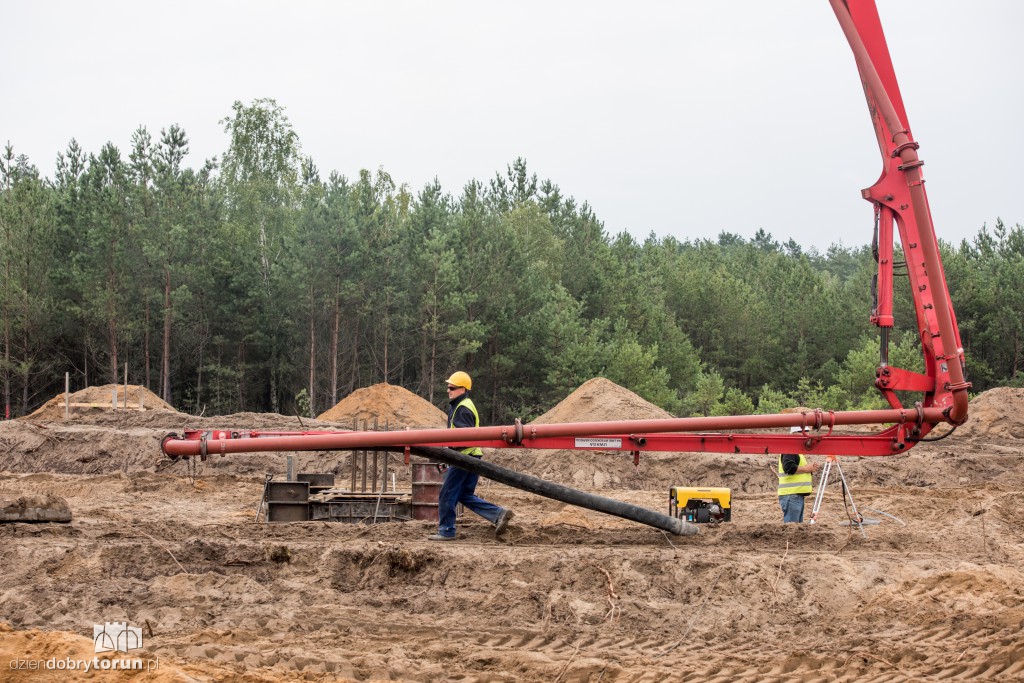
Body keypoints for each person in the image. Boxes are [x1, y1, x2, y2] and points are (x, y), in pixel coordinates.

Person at [428, 371, 514, 541]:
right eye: (448, 387)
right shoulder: (460, 405)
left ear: (463, 389)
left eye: (452, 387)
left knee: (447, 493)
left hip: (464, 458)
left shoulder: (463, 408)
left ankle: (446, 530)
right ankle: (498, 514)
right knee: (464, 495)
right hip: (471, 457)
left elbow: (464, 437)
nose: (448, 390)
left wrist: (448, 451)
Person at [777, 426, 821, 523]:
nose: (807, 434)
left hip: (795, 495)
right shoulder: (790, 447)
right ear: (794, 433)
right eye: (804, 432)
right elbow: (788, 468)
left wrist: (809, 468)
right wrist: (807, 468)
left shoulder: (795, 449)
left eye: (807, 432)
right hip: (791, 495)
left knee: (796, 528)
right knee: (792, 528)